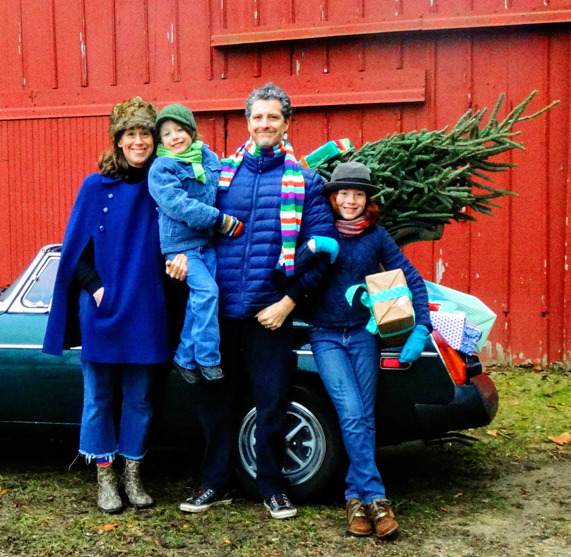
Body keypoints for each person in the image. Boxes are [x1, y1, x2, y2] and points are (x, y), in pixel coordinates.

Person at [178, 83, 338, 520]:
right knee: (215, 399)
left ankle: (272, 485)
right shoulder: (220, 175)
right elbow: (190, 227)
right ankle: (214, 481)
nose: (264, 124)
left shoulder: (305, 181)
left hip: (270, 314)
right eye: (257, 117)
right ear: (247, 122)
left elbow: (322, 251)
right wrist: (178, 258)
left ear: (287, 123)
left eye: (273, 117)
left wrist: (289, 301)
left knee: (272, 402)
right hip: (219, 312)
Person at [43, 97, 182, 515]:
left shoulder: (167, 187)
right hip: (103, 312)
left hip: (148, 312)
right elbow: (76, 253)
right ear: (118, 141)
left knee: (140, 400)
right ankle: (105, 477)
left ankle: (133, 475)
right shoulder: (95, 186)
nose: (139, 141)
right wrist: (97, 288)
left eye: (145, 134)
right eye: (131, 134)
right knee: (99, 399)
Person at [301, 161, 432, 539]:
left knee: (366, 416)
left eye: (358, 194)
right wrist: (312, 249)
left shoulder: (377, 237)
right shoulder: (320, 230)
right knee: (352, 412)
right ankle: (377, 497)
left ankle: (355, 500)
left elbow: (411, 279)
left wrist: (420, 326)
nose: (350, 200)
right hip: (325, 335)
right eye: (343, 193)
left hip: (362, 334)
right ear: (333, 197)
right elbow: (290, 271)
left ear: (367, 199)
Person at [148, 104, 244, 383]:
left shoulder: (208, 158)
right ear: (160, 140)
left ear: (191, 131)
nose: (175, 137)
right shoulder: (161, 168)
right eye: (167, 133)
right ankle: (208, 359)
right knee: (208, 292)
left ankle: (184, 357)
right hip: (181, 246)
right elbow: (178, 205)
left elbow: (228, 179)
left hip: (206, 243)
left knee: (198, 302)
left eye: (179, 130)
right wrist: (220, 220)